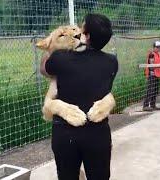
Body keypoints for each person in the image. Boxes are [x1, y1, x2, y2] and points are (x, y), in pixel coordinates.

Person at [40, 13, 118, 180]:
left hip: (65, 134)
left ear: (87, 36)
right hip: (98, 134)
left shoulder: (60, 59)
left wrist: (50, 49)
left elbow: (44, 69)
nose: (76, 32)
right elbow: (106, 90)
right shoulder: (112, 61)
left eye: (81, 28)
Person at [143, 40, 160, 111]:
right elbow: (151, 66)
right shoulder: (151, 54)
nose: (158, 48)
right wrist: (159, 66)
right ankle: (145, 106)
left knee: (155, 91)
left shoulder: (158, 54)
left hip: (157, 74)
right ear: (154, 47)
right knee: (150, 90)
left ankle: (152, 105)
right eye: (157, 47)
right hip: (152, 75)